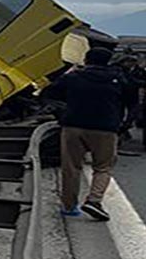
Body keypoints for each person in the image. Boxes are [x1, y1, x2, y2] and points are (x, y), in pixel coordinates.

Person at [42, 47, 128, 220]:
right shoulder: (118, 79)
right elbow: (129, 101)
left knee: (71, 167)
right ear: (108, 61)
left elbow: (47, 93)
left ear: (86, 60)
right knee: (103, 167)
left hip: (73, 126)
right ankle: (94, 201)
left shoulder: (73, 77)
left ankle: (69, 207)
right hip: (106, 128)